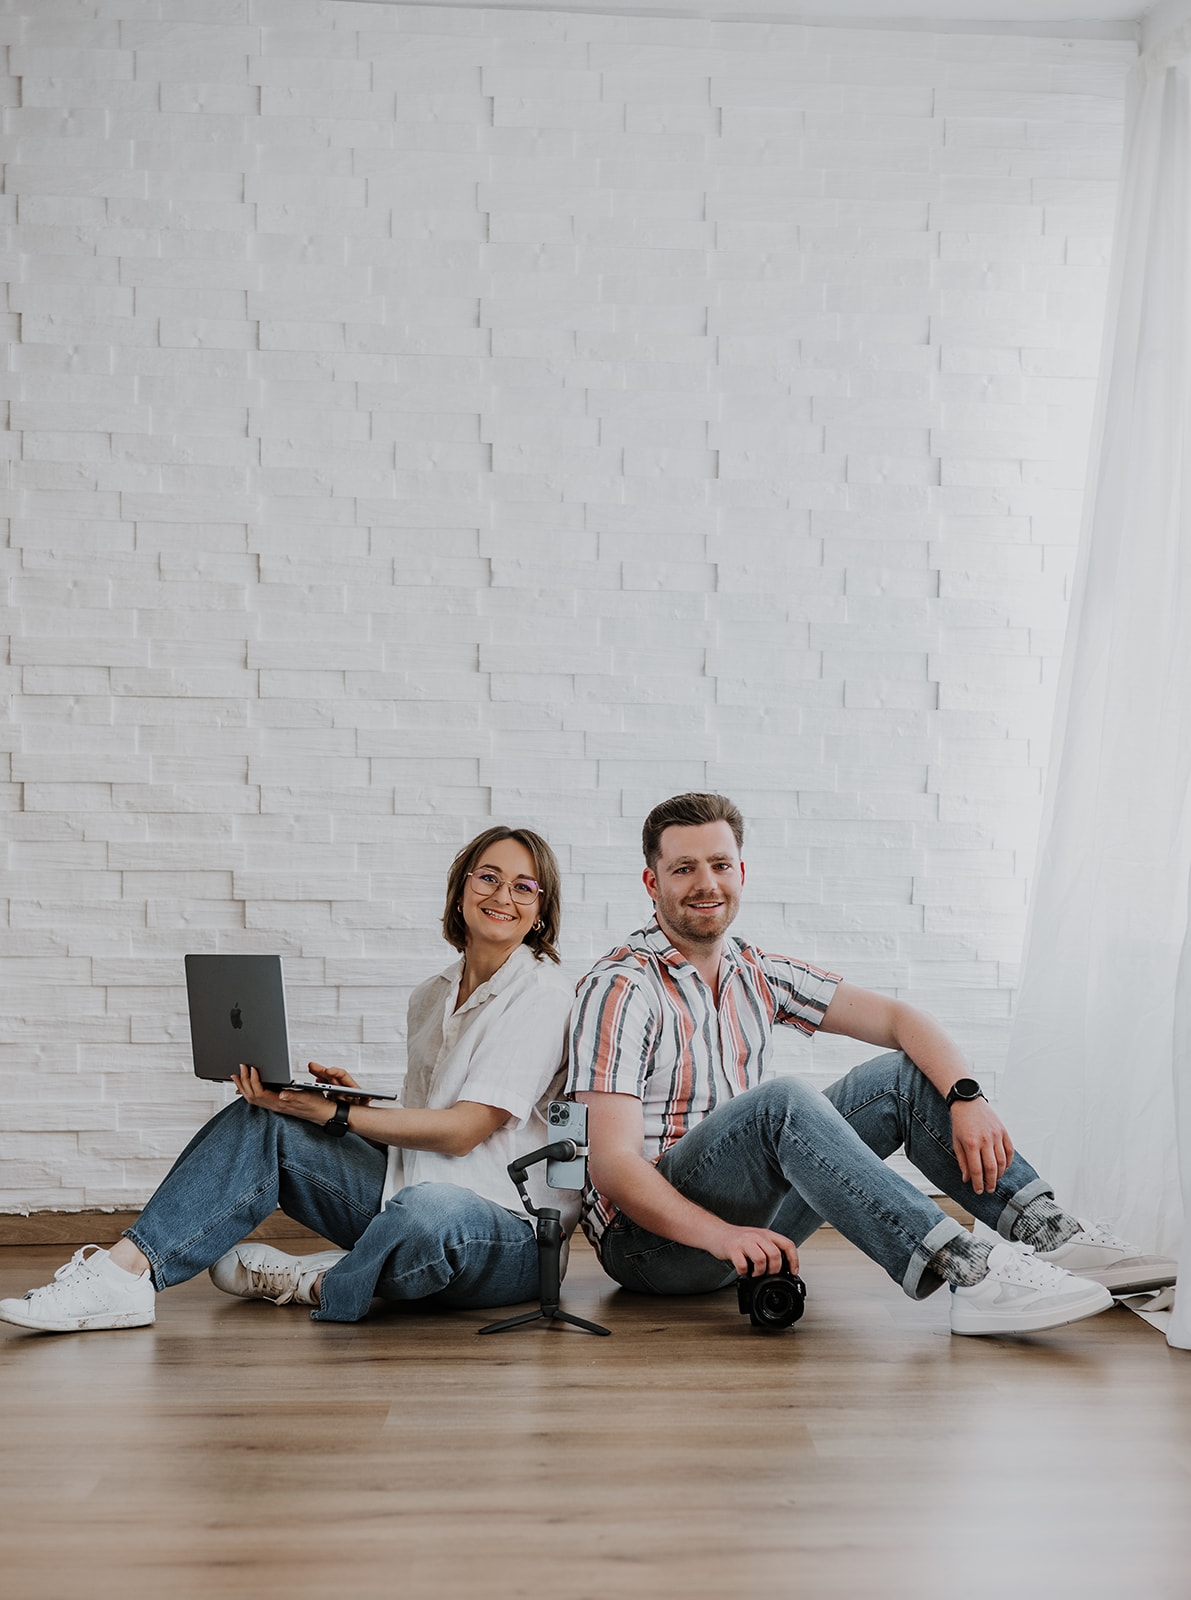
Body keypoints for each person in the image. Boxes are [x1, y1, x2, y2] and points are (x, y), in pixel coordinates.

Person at [566, 792, 1151, 1337]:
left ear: (741, 872)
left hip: (751, 1235)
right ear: (652, 882)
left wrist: (968, 1096)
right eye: (683, 868)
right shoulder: (622, 987)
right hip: (649, 1248)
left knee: (903, 1077)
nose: (706, 883)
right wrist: (722, 1235)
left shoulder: (754, 970)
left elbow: (900, 1019)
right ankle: (969, 1273)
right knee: (782, 1102)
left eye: (720, 864)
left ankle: (1048, 1232)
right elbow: (614, 1166)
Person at [1, 826, 578, 1334]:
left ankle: (319, 1282)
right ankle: (123, 1274)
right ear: (460, 890)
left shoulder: (543, 994)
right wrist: (341, 1100)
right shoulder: (430, 996)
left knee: (428, 1213)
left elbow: (463, 1133)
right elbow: (427, 1125)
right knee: (267, 1117)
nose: (503, 896)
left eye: (524, 886)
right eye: (489, 877)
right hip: (405, 1191)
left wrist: (337, 1115)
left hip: (513, 1234)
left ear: (540, 907)